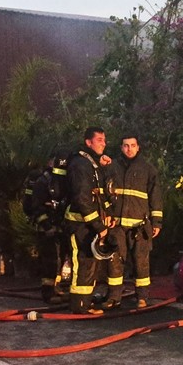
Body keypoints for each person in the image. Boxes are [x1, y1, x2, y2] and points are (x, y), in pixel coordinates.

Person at [63, 126, 117, 315]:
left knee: (89, 264)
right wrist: (99, 226)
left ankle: (85, 303)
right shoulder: (80, 165)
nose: (104, 143)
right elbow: (82, 199)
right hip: (79, 223)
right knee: (82, 263)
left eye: (104, 139)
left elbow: (101, 193)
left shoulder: (92, 164)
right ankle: (79, 307)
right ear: (88, 142)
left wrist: (107, 215)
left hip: (89, 224)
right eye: (100, 139)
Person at [108, 134, 164, 308]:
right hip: (116, 226)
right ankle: (113, 297)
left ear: (138, 147)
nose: (129, 149)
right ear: (120, 147)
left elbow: (156, 197)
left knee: (141, 262)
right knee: (115, 262)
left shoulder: (148, 170)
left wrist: (157, 222)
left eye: (132, 145)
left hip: (139, 226)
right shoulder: (111, 167)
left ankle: (142, 297)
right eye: (125, 145)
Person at [24, 149, 72, 304]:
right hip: (46, 230)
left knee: (61, 259)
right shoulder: (42, 182)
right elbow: (36, 208)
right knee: (50, 261)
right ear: (50, 162)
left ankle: (56, 288)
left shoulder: (60, 181)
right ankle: (48, 293)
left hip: (59, 228)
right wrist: (46, 226)